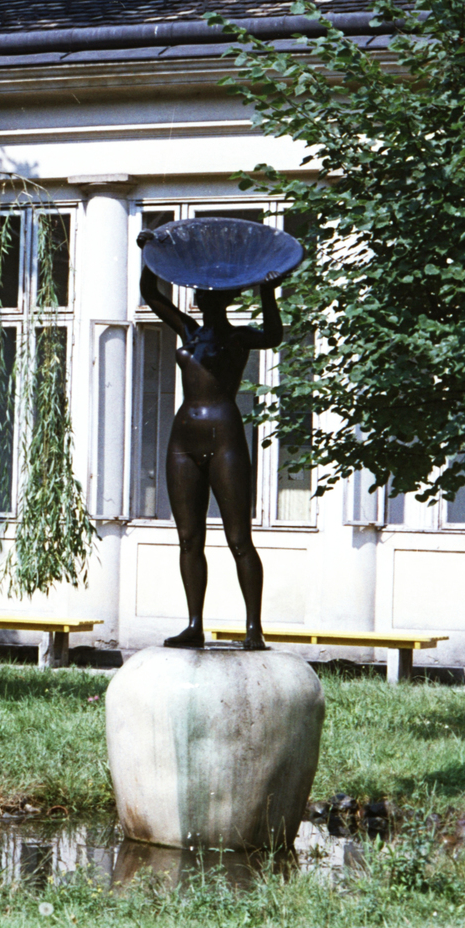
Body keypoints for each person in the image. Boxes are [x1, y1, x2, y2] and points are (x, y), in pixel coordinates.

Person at [139, 263, 283, 650]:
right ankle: (194, 624)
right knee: (189, 538)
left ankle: (254, 629)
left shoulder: (238, 338)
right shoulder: (189, 330)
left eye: (207, 292)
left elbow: (273, 335)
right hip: (183, 438)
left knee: (239, 538)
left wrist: (267, 293)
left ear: (222, 297)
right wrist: (151, 255)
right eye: (198, 292)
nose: (198, 296)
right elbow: (151, 295)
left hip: (226, 437)